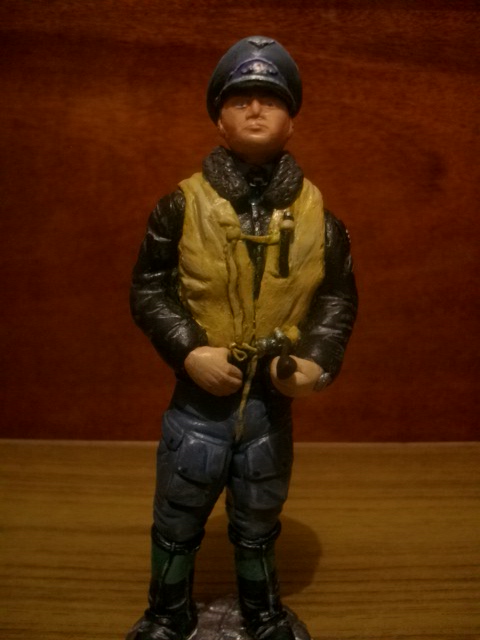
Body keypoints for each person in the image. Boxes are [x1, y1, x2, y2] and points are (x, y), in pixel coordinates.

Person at [127, 36, 358, 640]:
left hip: (268, 407)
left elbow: (336, 298)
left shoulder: (321, 221)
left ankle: (262, 612)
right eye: (240, 100)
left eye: (271, 100)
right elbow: (149, 289)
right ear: (220, 121)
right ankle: (167, 613)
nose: (256, 109)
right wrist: (188, 350)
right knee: (178, 514)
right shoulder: (179, 207)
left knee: (259, 516)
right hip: (199, 404)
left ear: (292, 121)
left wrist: (315, 363)